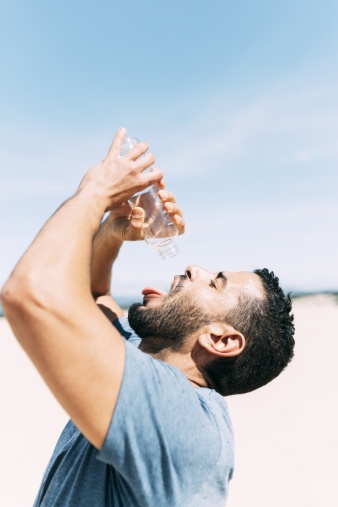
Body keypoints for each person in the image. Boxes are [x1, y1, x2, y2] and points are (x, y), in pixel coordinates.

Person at [1, 128, 295, 507]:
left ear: (221, 339)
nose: (195, 267)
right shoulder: (144, 362)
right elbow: (93, 297)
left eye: (216, 283)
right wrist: (112, 231)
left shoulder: (181, 419)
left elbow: (32, 294)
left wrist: (94, 192)